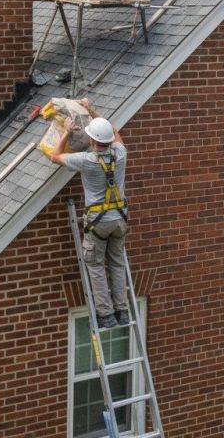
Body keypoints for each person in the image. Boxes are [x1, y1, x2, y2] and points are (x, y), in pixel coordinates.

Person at [51, 99, 129, 329]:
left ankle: (105, 314)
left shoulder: (87, 161)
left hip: (98, 222)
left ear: (92, 140)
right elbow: (115, 133)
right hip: (119, 219)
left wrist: (66, 132)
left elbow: (55, 156)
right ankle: (122, 311)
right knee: (116, 263)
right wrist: (93, 110)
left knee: (95, 265)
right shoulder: (120, 154)